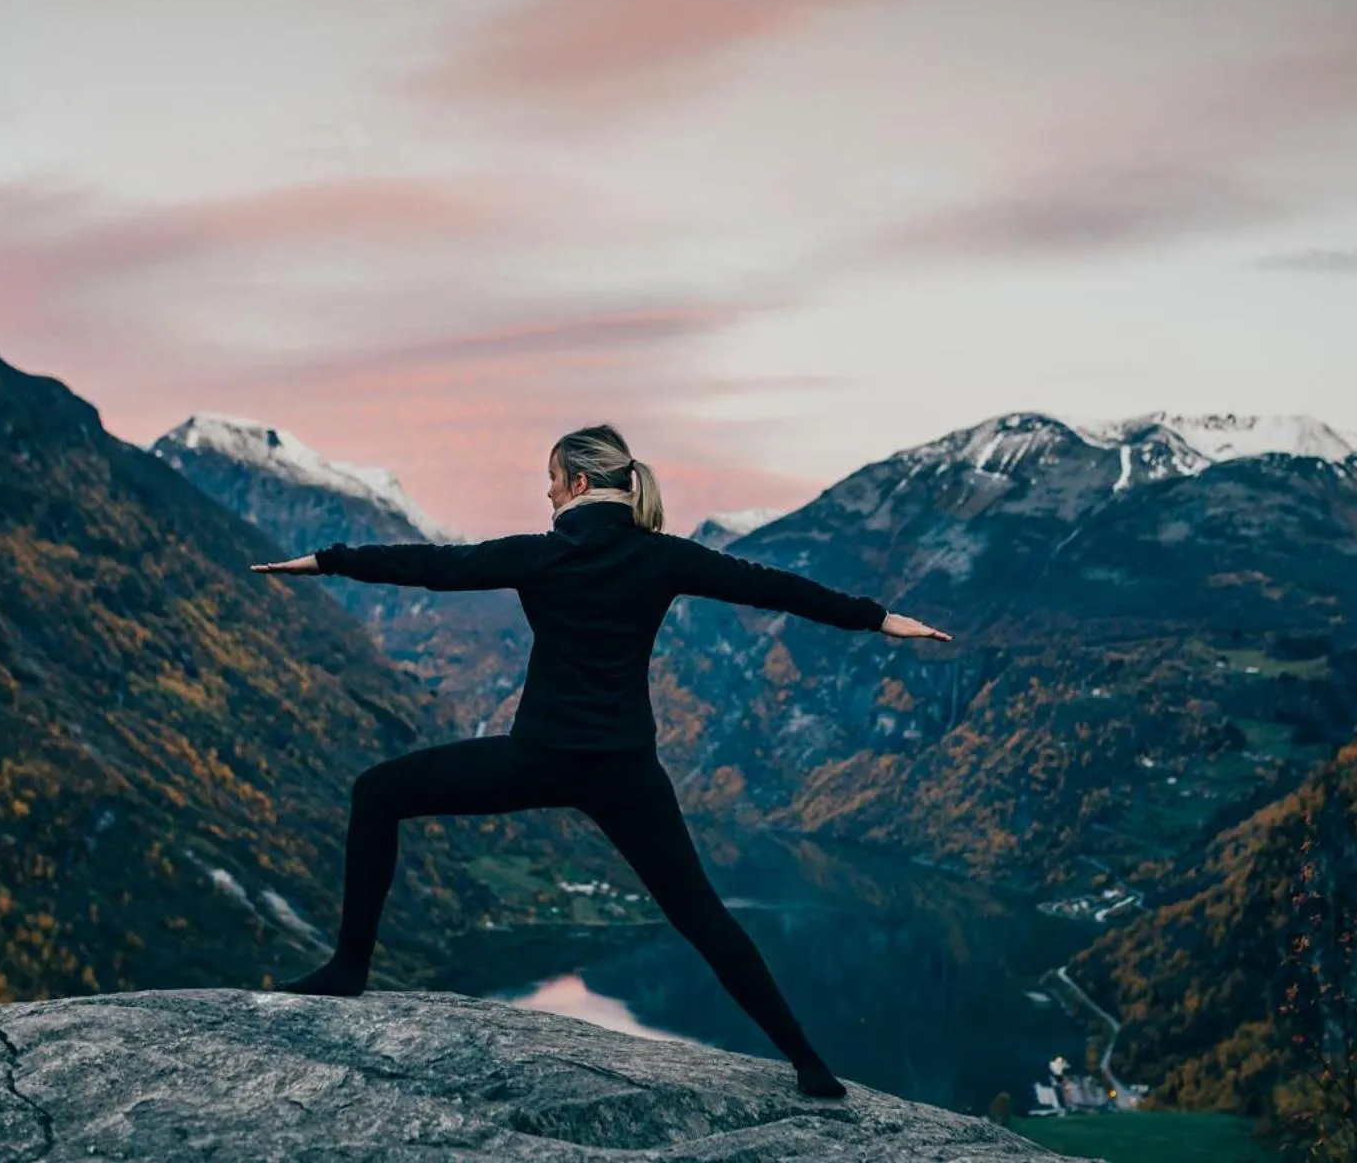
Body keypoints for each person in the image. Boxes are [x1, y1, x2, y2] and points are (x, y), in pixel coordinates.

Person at [250, 423, 952, 1099]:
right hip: (625, 772)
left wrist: (328, 560)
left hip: (536, 757)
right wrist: (879, 618)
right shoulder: (663, 556)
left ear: (580, 481)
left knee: (378, 792)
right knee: (703, 914)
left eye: (552, 482)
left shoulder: (540, 553)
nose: (547, 496)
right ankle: (807, 1062)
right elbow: (773, 587)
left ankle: (349, 967)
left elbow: (431, 566)